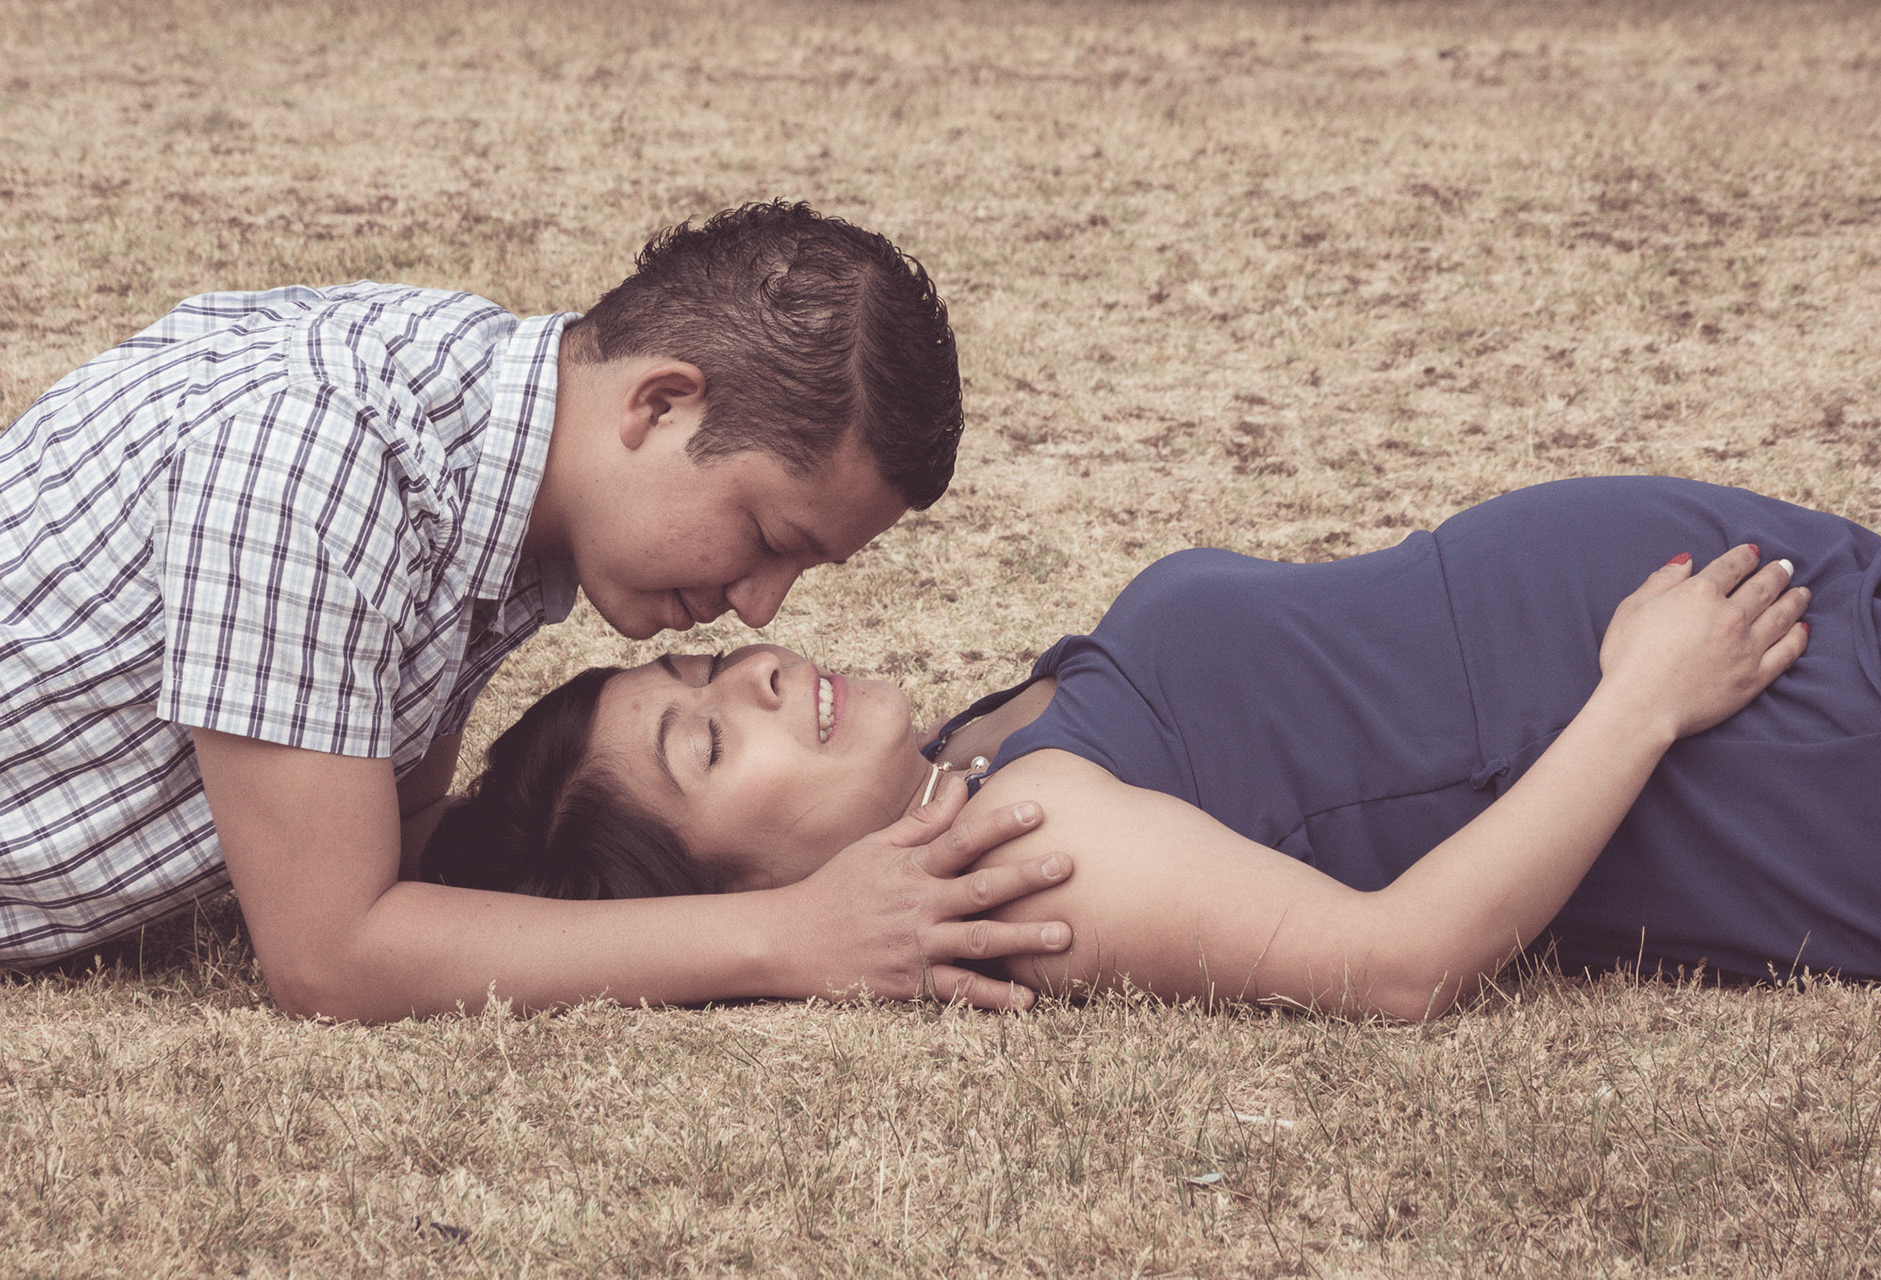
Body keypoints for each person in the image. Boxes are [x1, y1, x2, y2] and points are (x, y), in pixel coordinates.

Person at [0, 201, 1077, 1020]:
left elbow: (406, 854)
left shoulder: (491, 471)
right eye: (766, 538)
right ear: (660, 404)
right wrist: (793, 935)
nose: (759, 610)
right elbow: (330, 956)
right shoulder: (317, 466)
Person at [425, 475, 1881, 1020]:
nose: (749, 667)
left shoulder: (969, 754)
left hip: (1837, 635)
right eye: (703, 743)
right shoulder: (1023, 858)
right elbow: (1393, 963)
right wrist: (1646, 697)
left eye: (702, 662)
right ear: (734, 888)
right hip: (1817, 748)